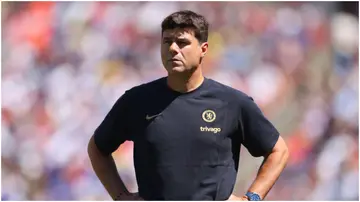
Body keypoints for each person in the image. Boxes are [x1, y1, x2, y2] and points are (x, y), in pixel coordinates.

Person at [88, 10, 289, 201]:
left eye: (182, 42)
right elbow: (97, 148)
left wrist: (251, 198)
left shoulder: (231, 103)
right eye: (167, 41)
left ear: (203, 50)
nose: (173, 48)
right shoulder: (136, 100)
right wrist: (120, 196)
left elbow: (278, 151)